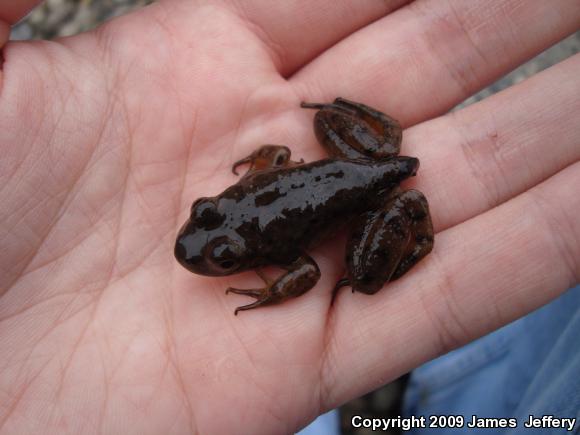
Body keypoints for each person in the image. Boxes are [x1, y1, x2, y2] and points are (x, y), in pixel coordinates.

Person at [0, 1, 578, 434]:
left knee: (363, 276)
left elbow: (305, 269)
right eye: (210, 220)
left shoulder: (275, 241)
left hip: (373, 191)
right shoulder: (254, 189)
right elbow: (278, 161)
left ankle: (431, 381)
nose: (201, 234)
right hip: (357, 158)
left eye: (217, 238)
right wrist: (265, 176)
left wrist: (274, 290)